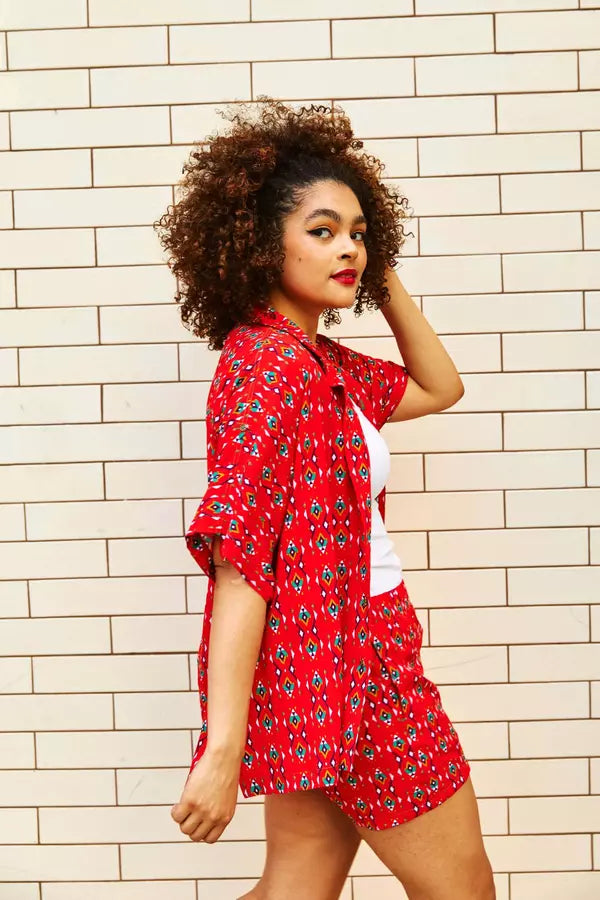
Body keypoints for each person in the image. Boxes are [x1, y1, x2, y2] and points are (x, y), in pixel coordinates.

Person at [154, 96, 496, 900]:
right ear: (257, 243)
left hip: (324, 661)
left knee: (297, 888)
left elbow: (439, 387)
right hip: (354, 662)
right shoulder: (269, 371)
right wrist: (221, 749)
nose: (348, 248)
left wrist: (381, 277)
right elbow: (241, 562)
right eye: (322, 231)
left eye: (360, 233)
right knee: (464, 892)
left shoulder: (321, 366)